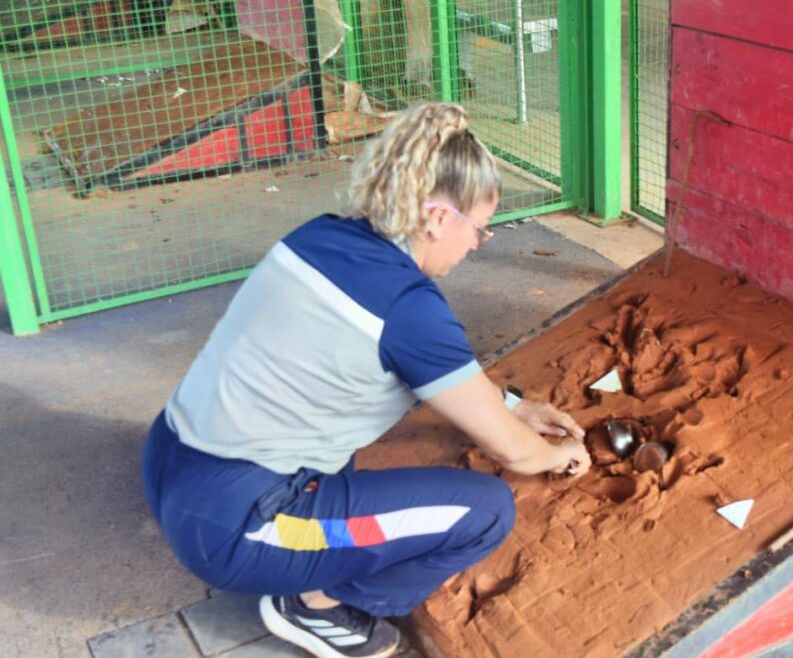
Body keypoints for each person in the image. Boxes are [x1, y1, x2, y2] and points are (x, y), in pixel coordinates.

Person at [142, 102, 592, 658]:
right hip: (236, 530)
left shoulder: (323, 236)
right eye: (480, 227)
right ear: (439, 218)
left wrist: (515, 404)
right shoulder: (408, 306)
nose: (478, 243)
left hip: (168, 462)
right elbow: (517, 455)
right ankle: (315, 605)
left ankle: (305, 573)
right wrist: (560, 453)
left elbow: (432, 369)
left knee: (349, 418)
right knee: (486, 511)